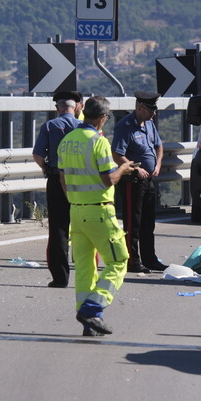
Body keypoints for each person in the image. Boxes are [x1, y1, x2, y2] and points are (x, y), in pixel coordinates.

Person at [57, 96, 137, 336]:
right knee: (119, 261)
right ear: (102, 118)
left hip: (76, 209)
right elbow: (108, 179)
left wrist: (75, 200)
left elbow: (62, 179)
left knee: (84, 268)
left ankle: (88, 323)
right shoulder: (99, 142)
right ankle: (93, 308)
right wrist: (123, 168)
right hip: (99, 210)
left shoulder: (67, 140)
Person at [32, 90, 82, 287]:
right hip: (80, 182)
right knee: (82, 227)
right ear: (75, 107)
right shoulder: (83, 127)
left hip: (55, 180)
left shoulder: (50, 126)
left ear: (58, 108)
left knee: (58, 230)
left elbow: (37, 154)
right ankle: (87, 272)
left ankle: (60, 277)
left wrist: (46, 167)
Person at [112, 90, 166, 273]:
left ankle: (150, 258)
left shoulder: (149, 124)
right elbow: (117, 154)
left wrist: (158, 164)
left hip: (149, 180)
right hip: (132, 180)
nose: (154, 113)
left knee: (148, 223)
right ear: (140, 107)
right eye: (151, 109)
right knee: (132, 223)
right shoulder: (125, 126)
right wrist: (136, 168)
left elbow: (158, 145)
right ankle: (132, 260)